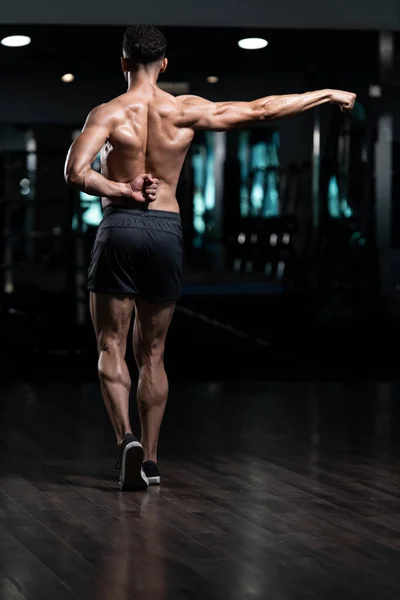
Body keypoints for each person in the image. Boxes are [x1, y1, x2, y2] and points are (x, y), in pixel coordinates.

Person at [64, 24, 356, 491]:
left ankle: (125, 441)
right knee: (153, 353)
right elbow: (261, 110)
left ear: (122, 63)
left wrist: (120, 189)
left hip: (119, 227)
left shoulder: (107, 114)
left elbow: (74, 173)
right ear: (164, 64)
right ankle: (151, 461)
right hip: (164, 230)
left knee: (110, 347)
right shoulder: (184, 110)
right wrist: (326, 93)